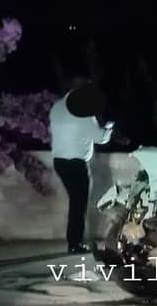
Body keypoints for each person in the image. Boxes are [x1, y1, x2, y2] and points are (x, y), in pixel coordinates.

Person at [49, 80, 114, 254]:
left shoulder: (56, 108)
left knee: (76, 202)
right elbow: (100, 138)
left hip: (59, 161)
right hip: (76, 164)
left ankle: (74, 241)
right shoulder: (83, 112)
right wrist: (109, 129)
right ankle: (74, 243)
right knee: (79, 204)